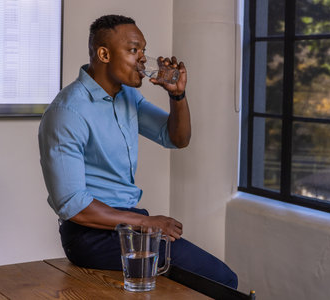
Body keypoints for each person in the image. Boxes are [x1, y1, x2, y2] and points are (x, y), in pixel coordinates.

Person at [38, 14, 238, 289]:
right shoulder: (68, 112)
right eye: (133, 50)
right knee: (223, 280)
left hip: (127, 221)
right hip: (90, 235)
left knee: (201, 281)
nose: (143, 58)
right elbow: (73, 205)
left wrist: (177, 96)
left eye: (143, 50)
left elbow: (176, 138)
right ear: (104, 54)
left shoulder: (127, 97)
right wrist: (147, 222)